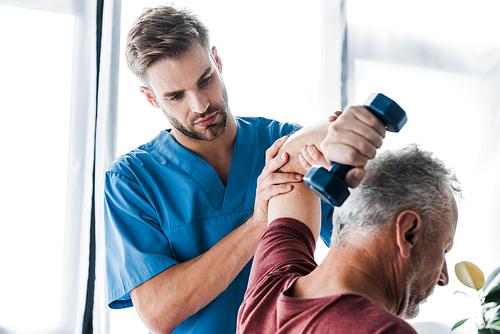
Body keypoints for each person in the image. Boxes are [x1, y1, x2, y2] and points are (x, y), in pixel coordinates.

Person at [103, 5, 360, 334]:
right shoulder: (132, 180)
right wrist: (258, 223)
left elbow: (355, 245)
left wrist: (349, 181)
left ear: (217, 61)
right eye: (176, 96)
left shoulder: (285, 145)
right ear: (151, 99)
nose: (200, 105)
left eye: (205, 80)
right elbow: (159, 312)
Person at [237, 140, 461, 333]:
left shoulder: (267, 289)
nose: (444, 278)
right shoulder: (382, 331)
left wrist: (342, 134)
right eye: (443, 250)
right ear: (408, 232)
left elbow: (289, 156)